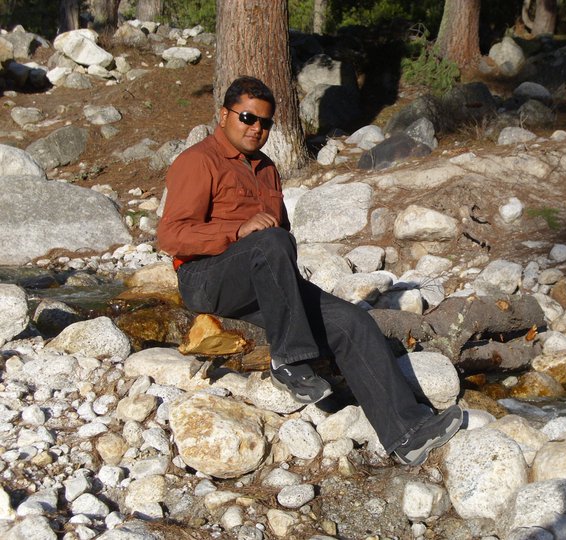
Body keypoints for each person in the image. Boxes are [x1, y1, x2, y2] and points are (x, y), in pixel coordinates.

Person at [157, 75, 462, 466]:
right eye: (247, 118)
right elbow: (171, 235)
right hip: (206, 279)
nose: (256, 128)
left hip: (264, 278)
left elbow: (279, 239)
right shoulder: (198, 161)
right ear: (224, 115)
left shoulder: (267, 169)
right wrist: (237, 231)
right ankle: (289, 362)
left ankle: (408, 434)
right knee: (270, 241)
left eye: (265, 122)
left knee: (353, 322)